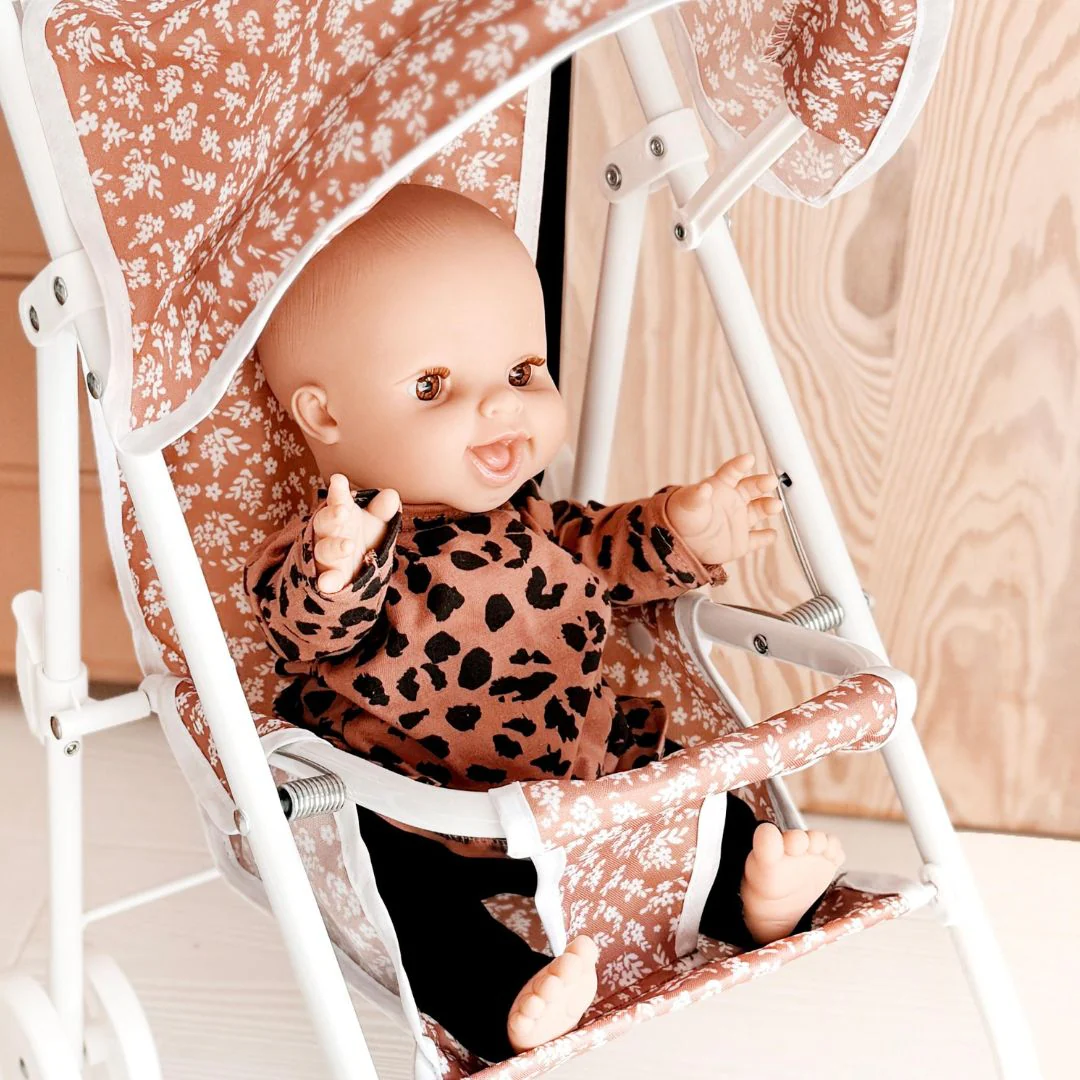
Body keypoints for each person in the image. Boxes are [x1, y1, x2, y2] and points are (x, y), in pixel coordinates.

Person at [244, 183, 844, 1063]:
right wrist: (338, 569)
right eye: (433, 386)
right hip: (411, 806)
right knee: (402, 900)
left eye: (523, 372)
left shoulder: (536, 525)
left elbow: (611, 547)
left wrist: (683, 526)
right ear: (325, 416)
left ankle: (754, 897)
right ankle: (505, 1000)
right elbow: (306, 629)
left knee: (677, 792)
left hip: (574, 780)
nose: (504, 407)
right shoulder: (347, 542)